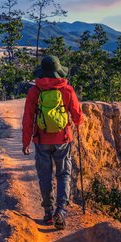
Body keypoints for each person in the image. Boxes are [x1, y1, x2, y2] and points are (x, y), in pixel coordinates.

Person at [21, 55, 83, 229]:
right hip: (63, 139)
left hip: (41, 140)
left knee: (45, 176)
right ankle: (61, 211)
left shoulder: (35, 91)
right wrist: (76, 123)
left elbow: (28, 119)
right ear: (58, 71)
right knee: (63, 174)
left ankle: (48, 213)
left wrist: (26, 142)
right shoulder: (67, 90)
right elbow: (78, 115)